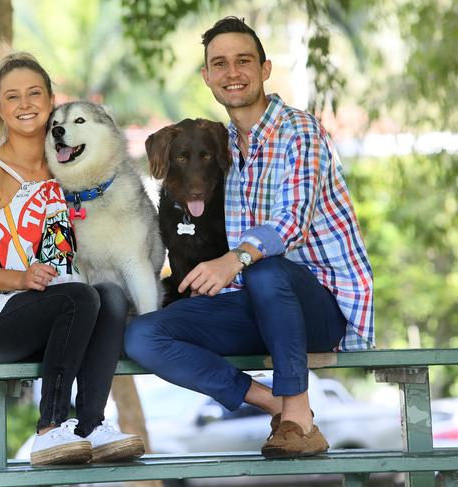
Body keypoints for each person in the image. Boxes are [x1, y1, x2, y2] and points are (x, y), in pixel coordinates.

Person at [125, 17, 373, 459]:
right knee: (142, 336)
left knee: (267, 270)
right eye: (219, 64)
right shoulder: (220, 148)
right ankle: (271, 402)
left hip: (316, 305)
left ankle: (298, 420)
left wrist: (233, 259)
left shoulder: (300, 131)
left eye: (243, 61)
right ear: (207, 77)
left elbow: (292, 221)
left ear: (265, 68)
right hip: (252, 308)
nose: (232, 72)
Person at [0, 52, 144, 466]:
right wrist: (21, 277)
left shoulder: (64, 168)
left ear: (50, 100)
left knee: (111, 297)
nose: (25, 104)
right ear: (0, 108)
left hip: (57, 316)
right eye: (12, 97)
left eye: (34, 93)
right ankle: (49, 429)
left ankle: (89, 427)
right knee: (78, 297)